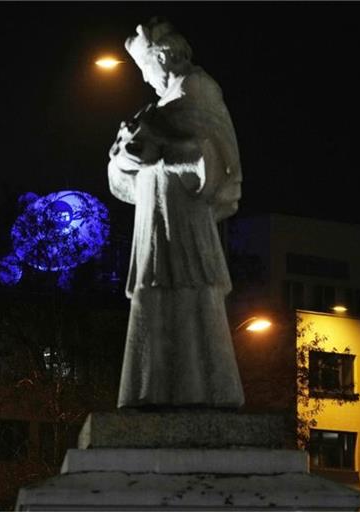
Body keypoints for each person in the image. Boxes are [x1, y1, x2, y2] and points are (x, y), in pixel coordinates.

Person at [108, 18, 244, 408]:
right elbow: (123, 177)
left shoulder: (198, 90)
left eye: (146, 66)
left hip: (183, 217)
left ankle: (202, 393)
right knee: (155, 292)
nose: (145, 78)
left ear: (163, 57)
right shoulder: (157, 108)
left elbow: (214, 158)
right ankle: (149, 391)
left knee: (192, 291)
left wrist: (159, 143)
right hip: (154, 216)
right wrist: (124, 154)